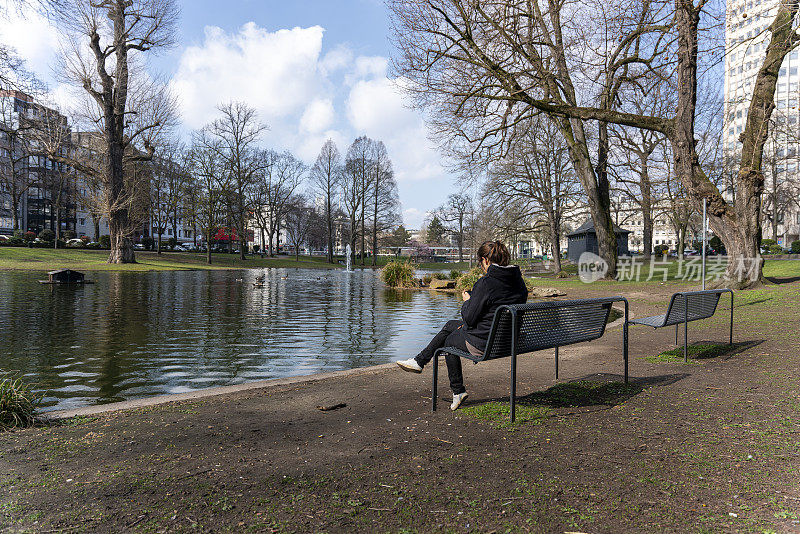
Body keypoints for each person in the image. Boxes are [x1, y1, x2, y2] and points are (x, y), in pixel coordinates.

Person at [396, 241, 528, 410]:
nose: (481, 267)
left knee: (449, 341)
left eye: (481, 263)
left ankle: (457, 390)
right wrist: (477, 300)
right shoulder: (518, 282)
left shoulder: (486, 283)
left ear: (485, 260)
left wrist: (468, 302)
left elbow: (469, 319)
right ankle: (419, 361)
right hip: (509, 340)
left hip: (486, 343)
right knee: (451, 325)